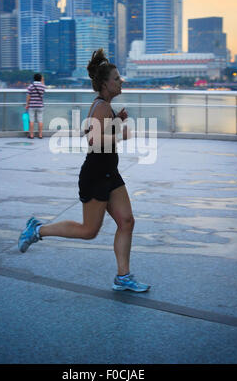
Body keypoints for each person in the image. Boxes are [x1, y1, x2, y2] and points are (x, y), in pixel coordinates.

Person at [18, 49, 150, 292]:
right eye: (117, 78)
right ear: (105, 84)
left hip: (111, 174)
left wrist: (117, 121)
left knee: (127, 222)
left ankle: (123, 277)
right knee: (89, 231)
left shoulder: (106, 106)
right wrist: (121, 133)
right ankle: (37, 230)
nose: (121, 82)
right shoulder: (100, 106)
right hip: (97, 176)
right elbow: (93, 141)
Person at [26, 73, 46, 139]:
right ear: (40, 79)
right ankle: (40, 135)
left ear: (34, 78)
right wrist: (42, 80)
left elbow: (28, 96)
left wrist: (27, 104)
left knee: (31, 120)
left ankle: (31, 135)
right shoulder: (42, 86)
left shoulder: (31, 86)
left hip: (32, 105)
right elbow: (44, 88)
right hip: (40, 105)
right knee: (40, 120)